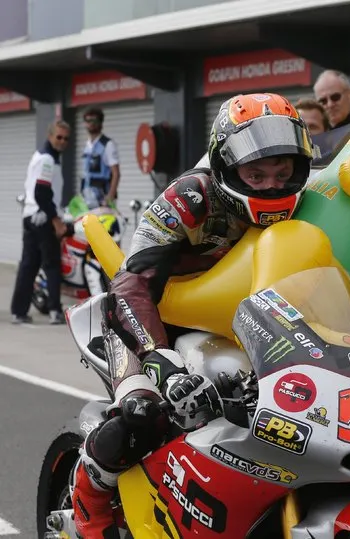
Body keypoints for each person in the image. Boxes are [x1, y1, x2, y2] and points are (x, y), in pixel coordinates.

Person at [70, 93, 316, 538]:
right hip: (153, 322)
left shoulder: (312, 197)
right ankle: (90, 504)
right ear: (225, 167)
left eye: (283, 173)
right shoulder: (187, 198)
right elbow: (131, 285)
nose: (271, 186)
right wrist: (159, 361)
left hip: (252, 326)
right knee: (146, 412)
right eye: (255, 174)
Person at [10, 120, 71, 325]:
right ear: (50, 136)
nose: (62, 141)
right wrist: (56, 221)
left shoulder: (41, 156)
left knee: (28, 265)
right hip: (42, 217)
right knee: (52, 265)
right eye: (59, 137)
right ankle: (55, 311)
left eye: (66, 138)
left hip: (30, 215)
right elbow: (41, 192)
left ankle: (18, 312)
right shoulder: (47, 159)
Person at [81, 107, 121, 205]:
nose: (91, 123)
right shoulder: (87, 145)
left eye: (94, 120)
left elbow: (116, 173)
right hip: (88, 199)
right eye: (88, 120)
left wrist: (110, 197)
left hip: (102, 199)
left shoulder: (108, 144)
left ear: (101, 122)